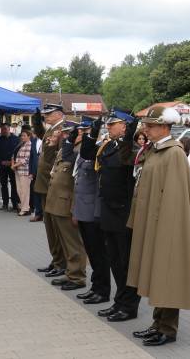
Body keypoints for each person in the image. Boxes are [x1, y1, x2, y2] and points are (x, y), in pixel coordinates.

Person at [127, 105, 190, 346]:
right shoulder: (157, 151)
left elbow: (174, 198)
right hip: (153, 221)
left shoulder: (174, 153)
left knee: (167, 274)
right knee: (157, 274)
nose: (145, 130)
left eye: (150, 126)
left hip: (166, 225)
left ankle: (168, 329)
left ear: (164, 126)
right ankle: (158, 323)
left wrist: (165, 227)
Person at [95, 109, 141, 323]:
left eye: (112, 124)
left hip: (123, 212)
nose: (108, 127)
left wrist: (131, 133)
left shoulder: (129, 148)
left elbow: (126, 160)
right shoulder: (110, 145)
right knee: (114, 260)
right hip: (109, 211)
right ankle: (119, 300)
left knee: (126, 262)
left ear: (124, 126)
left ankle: (129, 305)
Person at [45, 122, 88, 291]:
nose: (63, 136)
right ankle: (70, 272)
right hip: (56, 202)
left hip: (67, 203)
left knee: (73, 243)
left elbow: (79, 183)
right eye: (63, 134)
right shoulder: (66, 149)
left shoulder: (80, 151)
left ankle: (77, 276)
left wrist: (75, 208)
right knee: (63, 241)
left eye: (67, 133)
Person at [73, 118, 111, 305]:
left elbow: (98, 186)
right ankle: (95, 286)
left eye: (86, 129)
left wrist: (97, 213)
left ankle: (102, 290)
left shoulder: (99, 149)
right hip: (82, 209)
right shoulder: (85, 149)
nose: (82, 132)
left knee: (99, 253)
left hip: (92, 211)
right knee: (91, 252)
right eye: (81, 130)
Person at [33, 104, 67, 277]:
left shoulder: (62, 130)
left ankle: (62, 262)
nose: (46, 116)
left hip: (53, 184)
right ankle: (56, 260)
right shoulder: (51, 129)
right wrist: (36, 117)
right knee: (50, 228)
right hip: (45, 184)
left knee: (56, 227)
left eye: (49, 113)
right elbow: (39, 132)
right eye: (44, 114)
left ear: (59, 114)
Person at [0, 122, 20, 212]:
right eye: (2, 129)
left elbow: (18, 152)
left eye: (5, 129)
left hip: (13, 165)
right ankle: (5, 203)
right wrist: (1, 161)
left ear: (9, 129)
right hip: (3, 165)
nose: (3, 131)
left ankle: (15, 204)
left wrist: (12, 162)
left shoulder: (16, 139)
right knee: (3, 184)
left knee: (14, 185)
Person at [11, 129, 33, 216]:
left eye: (24, 135)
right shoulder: (21, 144)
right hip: (18, 170)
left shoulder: (29, 145)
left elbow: (26, 159)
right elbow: (14, 155)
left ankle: (25, 209)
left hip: (25, 171)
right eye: (21, 135)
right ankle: (25, 207)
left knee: (24, 191)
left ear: (29, 136)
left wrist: (14, 165)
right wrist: (13, 164)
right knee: (19, 190)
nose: (22, 137)